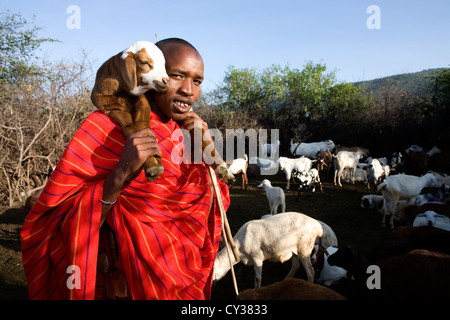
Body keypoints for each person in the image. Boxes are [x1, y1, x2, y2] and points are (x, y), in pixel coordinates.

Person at [20, 38, 230, 300]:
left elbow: (213, 203)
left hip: (184, 279)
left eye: (197, 81)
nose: (189, 90)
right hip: (123, 285)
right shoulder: (105, 127)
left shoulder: (186, 136)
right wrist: (120, 175)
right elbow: (54, 220)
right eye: (177, 76)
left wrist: (207, 152)